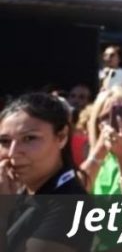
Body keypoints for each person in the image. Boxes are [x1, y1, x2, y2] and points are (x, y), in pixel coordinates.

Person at [1, 92, 91, 252]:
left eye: (29, 138)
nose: (13, 152)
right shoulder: (18, 193)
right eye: (5, 141)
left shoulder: (72, 205)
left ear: (62, 137)